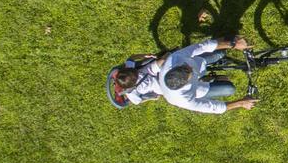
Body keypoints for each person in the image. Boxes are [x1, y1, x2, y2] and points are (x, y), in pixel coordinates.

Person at [110, 36, 257, 114]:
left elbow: (202, 46)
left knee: (220, 53)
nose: (188, 67)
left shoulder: (174, 61)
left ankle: (210, 71)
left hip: (198, 63)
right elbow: (214, 108)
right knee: (229, 89)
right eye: (188, 71)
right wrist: (241, 103)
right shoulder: (182, 100)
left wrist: (232, 43)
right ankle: (210, 79)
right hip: (198, 89)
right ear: (184, 84)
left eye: (184, 68)